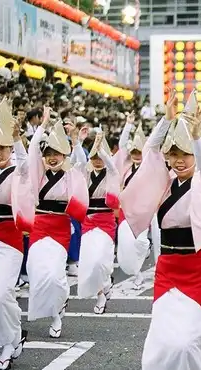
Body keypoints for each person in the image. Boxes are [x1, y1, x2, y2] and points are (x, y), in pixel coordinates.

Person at [119, 92, 201, 369]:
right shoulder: (163, 182)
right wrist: (166, 119)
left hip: (197, 269)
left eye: (185, 155)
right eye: (174, 155)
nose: (179, 161)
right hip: (168, 269)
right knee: (162, 341)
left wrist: (197, 138)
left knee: (188, 341)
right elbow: (150, 151)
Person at [19, 106, 89, 339]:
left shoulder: (70, 173)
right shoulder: (38, 171)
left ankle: (58, 312)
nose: (52, 157)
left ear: (64, 155)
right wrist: (43, 125)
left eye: (57, 153)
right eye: (48, 153)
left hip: (60, 229)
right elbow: (31, 150)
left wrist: (75, 140)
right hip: (39, 226)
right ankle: (54, 310)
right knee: (37, 272)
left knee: (55, 274)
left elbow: (80, 161)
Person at [0, 94, 28, 369]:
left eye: (3, 147)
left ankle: (11, 340)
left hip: (9, 241)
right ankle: (14, 337)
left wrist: (18, 138)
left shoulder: (18, 171)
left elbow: (25, 163)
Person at [77, 129, 120, 314]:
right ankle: (101, 293)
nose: (96, 160)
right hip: (88, 222)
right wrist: (77, 141)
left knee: (102, 262)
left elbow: (111, 164)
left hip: (105, 221)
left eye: (99, 156)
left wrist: (101, 148)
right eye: (93, 156)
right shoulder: (85, 173)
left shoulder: (112, 172)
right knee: (90, 261)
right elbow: (78, 161)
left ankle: (106, 281)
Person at [115, 115, 160, 288]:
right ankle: (137, 274)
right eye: (133, 152)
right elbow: (121, 146)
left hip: (150, 209)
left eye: (138, 152)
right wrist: (128, 125)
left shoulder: (150, 167)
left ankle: (159, 269)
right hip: (131, 211)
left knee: (157, 241)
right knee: (134, 242)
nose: (135, 155)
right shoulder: (126, 168)